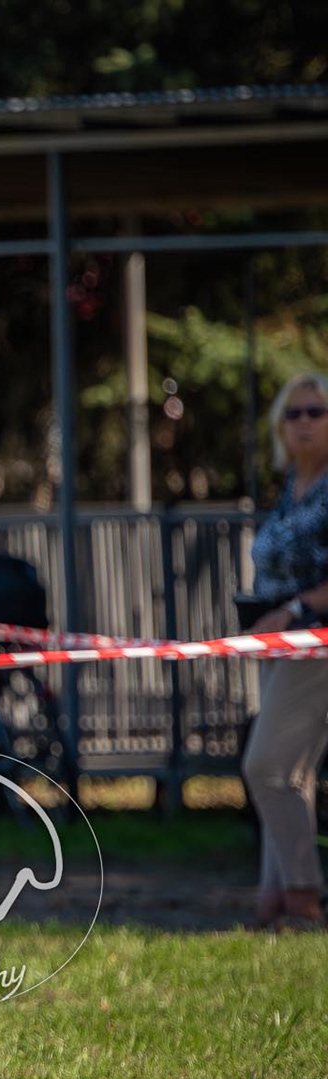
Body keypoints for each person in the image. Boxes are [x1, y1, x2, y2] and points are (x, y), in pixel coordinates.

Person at [240, 370, 328, 931]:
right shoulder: (290, 487)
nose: (302, 422)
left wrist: (295, 609)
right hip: (278, 644)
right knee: (289, 774)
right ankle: (273, 906)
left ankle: (301, 900)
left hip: (316, 641)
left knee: (267, 765)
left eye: (315, 412)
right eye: (292, 413)